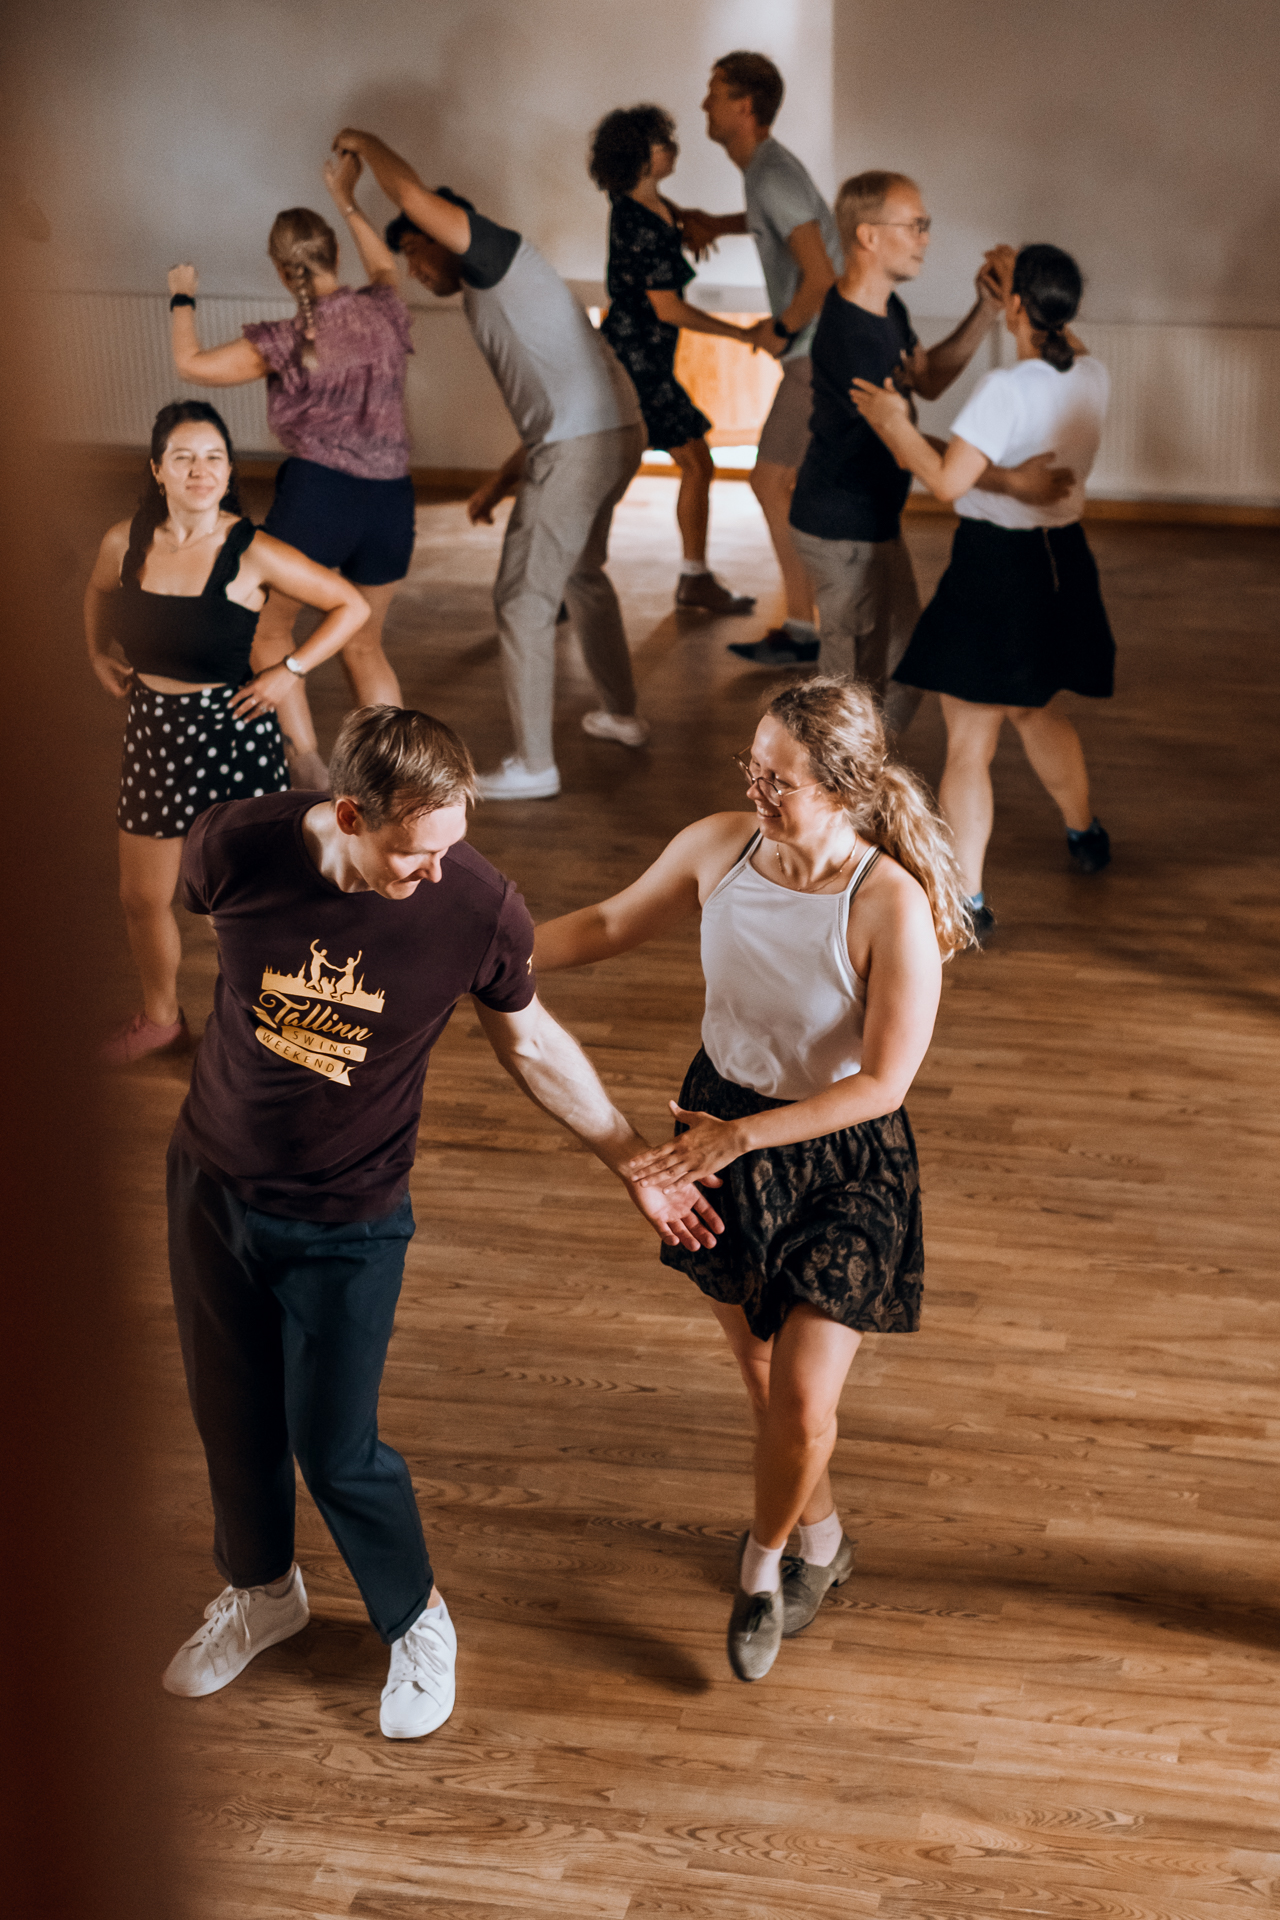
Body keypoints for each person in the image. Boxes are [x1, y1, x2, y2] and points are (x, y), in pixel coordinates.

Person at [160, 705, 723, 1738]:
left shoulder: (473, 905)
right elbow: (215, 948)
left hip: (350, 1213)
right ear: (348, 815)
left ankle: (414, 1618)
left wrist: (630, 1161)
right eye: (413, 853)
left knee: (335, 1446)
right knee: (230, 1417)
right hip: (209, 1183)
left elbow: (532, 1044)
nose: (434, 872)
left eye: (451, 846)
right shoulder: (233, 846)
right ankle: (262, 1593)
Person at [534, 677, 969, 1681]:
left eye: (779, 780)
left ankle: (764, 1567)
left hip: (838, 1158)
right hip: (716, 1123)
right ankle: (823, 1536)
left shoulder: (888, 904)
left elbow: (882, 1084)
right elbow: (605, 924)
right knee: (763, 1377)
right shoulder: (718, 847)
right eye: (752, 768)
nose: (754, 790)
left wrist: (740, 1141)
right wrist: (476, 956)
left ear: (843, 788)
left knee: (805, 1402)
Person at [331, 126, 647, 803]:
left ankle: (535, 764)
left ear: (446, 232)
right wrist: (503, 481)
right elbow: (552, 403)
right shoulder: (497, 291)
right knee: (582, 574)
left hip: (583, 445)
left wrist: (364, 142)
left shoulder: (496, 255)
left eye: (416, 250)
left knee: (522, 599)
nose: (415, 271)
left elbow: (411, 192)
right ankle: (621, 714)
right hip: (615, 433)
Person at [84, 401, 369, 1064]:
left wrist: (288, 672)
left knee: (241, 907)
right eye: (183, 457)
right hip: (152, 733)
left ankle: (269, 1030)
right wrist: (95, 653)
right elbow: (98, 592)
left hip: (232, 737)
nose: (200, 470)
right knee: (142, 897)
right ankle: (160, 1020)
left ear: (229, 470)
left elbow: (348, 604)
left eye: (214, 457)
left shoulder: (252, 551)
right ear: (157, 469)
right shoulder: (124, 542)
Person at [851, 243, 1114, 939]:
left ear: (1016, 305)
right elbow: (1061, 341)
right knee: (1032, 710)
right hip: (1061, 561)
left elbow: (946, 482)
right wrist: (1022, 290)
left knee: (970, 740)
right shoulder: (1091, 373)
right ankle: (1085, 833)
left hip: (995, 569)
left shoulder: (1006, 389)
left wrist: (893, 423)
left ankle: (967, 899)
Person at [788, 173, 1073, 737]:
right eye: (915, 225)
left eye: (925, 225)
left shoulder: (884, 308)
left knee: (905, 666)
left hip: (873, 523)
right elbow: (908, 450)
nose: (925, 238)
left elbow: (928, 380)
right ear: (868, 235)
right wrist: (1012, 481)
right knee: (846, 695)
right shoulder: (852, 337)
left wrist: (985, 310)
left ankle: (868, 772)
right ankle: (837, 782)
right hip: (841, 532)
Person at [167, 149, 417, 788]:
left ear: (282, 271)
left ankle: (307, 765)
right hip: (392, 500)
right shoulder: (385, 309)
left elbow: (191, 365)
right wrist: (347, 199)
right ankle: (393, 780)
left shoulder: (282, 339)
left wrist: (182, 295)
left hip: (320, 499)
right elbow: (383, 266)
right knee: (364, 641)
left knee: (266, 629)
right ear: (333, 255)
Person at [676, 51, 842, 667]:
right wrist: (718, 224)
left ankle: (806, 630)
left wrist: (779, 328)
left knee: (770, 480)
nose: (705, 104)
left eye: (715, 92)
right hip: (820, 348)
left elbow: (821, 275)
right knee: (783, 482)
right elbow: (779, 223)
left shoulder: (771, 174)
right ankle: (811, 624)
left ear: (744, 106)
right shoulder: (766, 172)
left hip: (818, 349)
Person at [588, 103, 758, 617]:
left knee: (631, 469)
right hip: (635, 360)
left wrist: (686, 220)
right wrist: (742, 334)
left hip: (643, 357)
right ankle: (689, 578)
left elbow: (666, 217)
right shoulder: (637, 220)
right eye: (662, 141)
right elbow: (668, 308)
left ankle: (688, 577)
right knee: (689, 463)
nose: (673, 148)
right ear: (639, 156)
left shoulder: (650, 206)